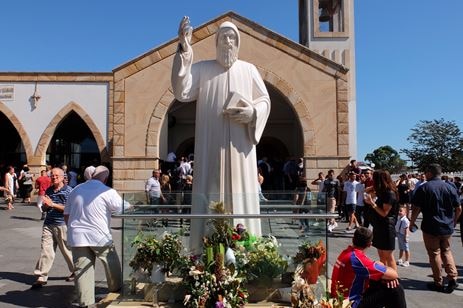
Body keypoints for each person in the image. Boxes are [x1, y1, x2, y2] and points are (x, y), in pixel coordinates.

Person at [172, 17, 271, 250]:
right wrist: (185, 49)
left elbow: (264, 100)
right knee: (211, 190)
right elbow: (181, 91)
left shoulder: (249, 70)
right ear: (216, 42)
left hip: (240, 146)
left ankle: (247, 250)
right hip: (212, 145)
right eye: (223, 37)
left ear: (238, 43)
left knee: (241, 195)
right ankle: (204, 250)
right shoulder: (203, 69)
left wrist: (253, 113)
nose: (228, 41)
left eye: (232, 38)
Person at [65, 165, 129, 307]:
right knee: (110, 262)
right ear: (106, 178)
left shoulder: (75, 190)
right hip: (99, 236)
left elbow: (66, 215)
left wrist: (71, 229)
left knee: (82, 270)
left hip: (77, 236)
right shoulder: (107, 191)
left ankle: (85, 303)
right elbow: (123, 207)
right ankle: (116, 289)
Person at [410, 163, 461, 293]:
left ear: (429, 173)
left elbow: (416, 208)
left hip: (431, 226)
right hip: (447, 226)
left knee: (434, 254)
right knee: (447, 251)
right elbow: (458, 208)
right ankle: (452, 278)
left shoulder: (424, 188)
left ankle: (438, 282)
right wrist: (454, 221)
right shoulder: (450, 186)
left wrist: (412, 222)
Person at [331, 227, 406, 308]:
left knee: (387, 282)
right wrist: (387, 276)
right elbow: (394, 274)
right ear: (370, 244)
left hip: (339, 299)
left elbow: (374, 267)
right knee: (395, 289)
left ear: (353, 239)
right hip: (349, 304)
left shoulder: (347, 252)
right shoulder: (357, 259)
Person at [31, 167, 74, 289]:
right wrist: (45, 206)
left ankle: (76, 270)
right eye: (52, 176)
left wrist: (53, 204)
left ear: (62, 177)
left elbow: (69, 209)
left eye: (56, 176)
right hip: (48, 224)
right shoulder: (49, 190)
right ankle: (41, 276)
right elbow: (46, 208)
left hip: (62, 224)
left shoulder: (69, 191)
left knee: (67, 251)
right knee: (46, 250)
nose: (54, 177)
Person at [363, 170, 399, 270]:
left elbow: (384, 213)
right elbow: (366, 191)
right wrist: (372, 189)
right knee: (381, 255)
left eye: (375, 179)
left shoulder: (389, 193)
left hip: (387, 227)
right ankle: (383, 277)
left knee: (388, 256)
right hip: (379, 226)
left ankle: (393, 278)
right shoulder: (382, 191)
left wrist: (372, 203)